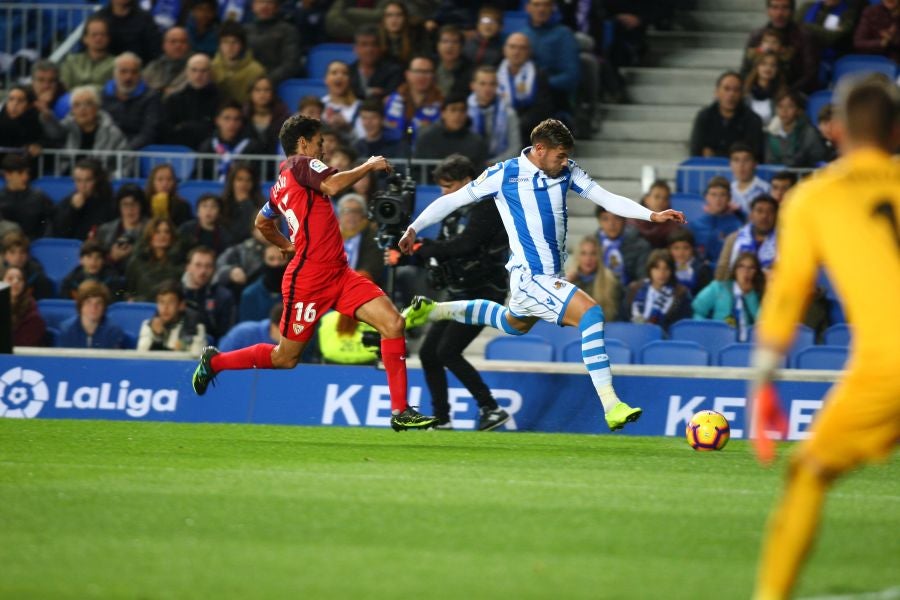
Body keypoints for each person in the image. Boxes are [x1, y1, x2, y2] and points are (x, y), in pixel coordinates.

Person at [399, 119, 686, 432]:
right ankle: (611, 404)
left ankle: (435, 310)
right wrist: (414, 227)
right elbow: (454, 200)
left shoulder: (566, 170)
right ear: (539, 149)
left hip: (548, 276)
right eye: (559, 156)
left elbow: (606, 198)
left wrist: (651, 215)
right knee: (591, 314)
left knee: (512, 323)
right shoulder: (504, 174)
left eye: (566, 157)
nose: (564, 162)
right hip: (531, 276)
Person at [749, 75, 900, 600]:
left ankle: (772, 594)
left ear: (834, 129)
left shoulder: (815, 198)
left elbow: (789, 294)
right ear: (896, 130)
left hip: (888, 367)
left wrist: (762, 381)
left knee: (809, 471)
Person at [191, 114, 439, 432]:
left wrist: (286, 244)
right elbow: (333, 185)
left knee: (393, 323)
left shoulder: (283, 180)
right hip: (308, 280)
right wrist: (369, 164)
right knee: (285, 358)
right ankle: (215, 362)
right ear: (304, 143)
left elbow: (262, 221)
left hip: (338, 273)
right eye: (320, 143)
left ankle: (400, 410)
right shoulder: (300, 164)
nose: (323, 150)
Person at [403, 155, 512, 430]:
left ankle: (491, 408)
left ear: (467, 182)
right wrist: (417, 251)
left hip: (485, 292)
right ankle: (442, 419)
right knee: (429, 354)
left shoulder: (488, 207)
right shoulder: (454, 212)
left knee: (448, 351)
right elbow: (444, 245)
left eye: (448, 187)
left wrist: (425, 249)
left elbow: (466, 244)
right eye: (441, 188)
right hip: (461, 290)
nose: (444, 194)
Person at [741, 0, 819, 92]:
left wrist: (786, 93)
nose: (779, 13)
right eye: (775, 7)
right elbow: (745, 70)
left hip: (794, 94)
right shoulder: (757, 36)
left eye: (785, 8)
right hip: (759, 91)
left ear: (792, 11)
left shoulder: (805, 36)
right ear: (768, 11)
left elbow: (810, 75)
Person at [496, 32, 556, 145]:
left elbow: (542, 108)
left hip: (527, 130)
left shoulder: (539, 74)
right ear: (504, 49)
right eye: (512, 47)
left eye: (522, 48)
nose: (516, 52)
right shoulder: (494, 72)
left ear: (529, 52)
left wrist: (516, 125)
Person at [690, 71, 765, 161]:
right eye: (726, 89)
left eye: (736, 90)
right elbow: (696, 152)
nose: (731, 94)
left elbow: (752, 155)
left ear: (742, 94)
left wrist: (714, 155)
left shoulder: (753, 120)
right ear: (716, 92)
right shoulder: (704, 117)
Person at [692, 251, 764, 341]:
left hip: (749, 345)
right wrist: (707, 331)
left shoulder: (760, 293)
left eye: (751, 268)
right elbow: (697, 309)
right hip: (719, 340)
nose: (746, 271)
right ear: (735, 269)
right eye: (741, 266)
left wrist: (749, 295)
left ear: (756, 272)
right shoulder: (718, 288)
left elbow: (761, 322)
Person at [101, 52, 163, 150]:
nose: (128, 77)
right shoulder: (103, 95)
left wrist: (125, 151)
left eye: (134, 72)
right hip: (106, 148)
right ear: (114, 73)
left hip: (138, 150)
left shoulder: (151, 97)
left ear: (140, 74)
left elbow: (149, 131)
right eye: (123, 71)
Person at [624, 249, 693, 332]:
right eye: (657, 268)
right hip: (634, 335)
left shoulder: (679, 294)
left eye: (666, 268)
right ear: (649, 270)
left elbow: (679, 321)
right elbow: (625, 316)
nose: (661, 273)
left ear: (672, 271)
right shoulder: (634, 289)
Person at [413, 94, 489, 168]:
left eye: (462, 110)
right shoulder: (427, 139)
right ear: (443, 113)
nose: (458, 115)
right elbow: (417, 171)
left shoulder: (477, 142)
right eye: (453, 110)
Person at [162, 54, 220, 149]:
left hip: (209, 150)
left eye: (203, 71)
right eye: (194, 70)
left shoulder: (219, 98)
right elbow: (167, 130)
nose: (198, 75)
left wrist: (184, 126)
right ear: (187, 72)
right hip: (181, 149)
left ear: (211, 72)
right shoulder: (174, 99)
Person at [196, 102, 265, 181]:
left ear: (242, 122)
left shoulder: (253, 147)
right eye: (226, 118)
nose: (232, 123)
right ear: (217, 120)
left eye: (237, 119)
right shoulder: (207, 146)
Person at [716, 195, 779, 280]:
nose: (764, 216)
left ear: (776, 216)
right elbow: (722, 271)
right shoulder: (733, 238)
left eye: (770, 212)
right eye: (759, 211)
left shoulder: (785, 242)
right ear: (751, 215)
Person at [467, 65, 521, 164]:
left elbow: (515, 148)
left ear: (497, 86)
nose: (487, 88)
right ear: (473, 86)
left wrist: (493, 164)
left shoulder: (509, 113)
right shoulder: (464, 112)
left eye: (492, 84)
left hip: (500, 168)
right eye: (482, 84)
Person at [383, 55, 443, 143]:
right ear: (407, 74)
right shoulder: (391, 101)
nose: (421, 76)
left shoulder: (441, 104)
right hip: (394, 153)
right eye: (417, 71)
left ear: (433, 76)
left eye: (427, 72)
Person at [181, 246, 236, 340]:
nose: (203, 271)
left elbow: (227, 335)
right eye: (198, 265)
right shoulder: (176, 293)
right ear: (188, 267)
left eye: (208, 266)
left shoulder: (224, 297)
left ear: (214, 269)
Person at [52, 159, 115, 240]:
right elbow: (59, 234)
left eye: (88, 180)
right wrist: (73, 210)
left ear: (97, 180)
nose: (83, 186)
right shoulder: (66, 203)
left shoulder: (110, 203)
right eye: (78, 180)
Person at [137, 279, 206, 353]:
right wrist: (157, 338)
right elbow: (142, 357)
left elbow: (194, 360)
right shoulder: (148, 325)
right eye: (161, 302)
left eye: (171, 302)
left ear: (181, 305)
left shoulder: (196, 328)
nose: (165, 307)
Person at [125, 217, 185, 301]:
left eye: (167, 232)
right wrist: (129, 298)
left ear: (172, 237)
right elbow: (126, 290)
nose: (162, 235)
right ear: (150, 236)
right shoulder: (137, 262)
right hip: (143, 308)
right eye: (157, 232)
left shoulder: (180, 263)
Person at [565, 235, 623, 322]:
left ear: (599, 257)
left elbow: (617, 317)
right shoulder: (567, 281)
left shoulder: (611, 282)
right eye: (583, 253)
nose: (588, 259)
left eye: (593, 254)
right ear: (577, 256)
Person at [688, 176, 744, 263]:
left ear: (729, 198)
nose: (718, 199)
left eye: (723, 195)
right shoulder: (695, 225)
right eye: (713, 194)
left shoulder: (737, 225)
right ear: (706, 197)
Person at [765, 90, 828, 167]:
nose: (784, 111)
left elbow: (817, 161)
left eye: (790, 106)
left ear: (798, 110)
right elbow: (769, 162)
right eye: (780, 106)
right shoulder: (771, 132)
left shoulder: (809, 133)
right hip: (777, 178)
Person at [245, 0, 300, 86]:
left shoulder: (288, 31)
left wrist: (266, 80)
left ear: (276, 7)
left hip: (277, 83)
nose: (264, 6)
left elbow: (290, 64)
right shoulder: (244, 31)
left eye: (269, 2)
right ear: (253, 6)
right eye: (260, 2)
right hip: (248, 81)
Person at [57, 281, 126, 349]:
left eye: (99, 303)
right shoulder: (66, 329)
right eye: (88, 302)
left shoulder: (113, 331)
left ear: (104, 307)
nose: (93, 308)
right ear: (80, 305)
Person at [0, 154, 54, 240]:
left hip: (34, 245)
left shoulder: (39, 197)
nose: (25, 177)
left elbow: (49, 224)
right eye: (20, 173)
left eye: (26, 172)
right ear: (7, 175)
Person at [211, 22, 266, 106]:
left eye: (235, 42)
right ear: (219, 45)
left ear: (242, 45)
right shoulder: (211, 67)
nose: (230, 47)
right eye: (225, 42)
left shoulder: (256, 71)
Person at [594, 206, 652, 286]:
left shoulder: (641, 246)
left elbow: (643, 278)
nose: (611, 224)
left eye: (616, 218)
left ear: (625, 220)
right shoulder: (592, 245)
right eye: (605, 219)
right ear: (599, 221)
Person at [59, 15, 115, 92]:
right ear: (85, 38)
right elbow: (64, 87)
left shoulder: (117, 64)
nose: (98, 38)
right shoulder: (71, 61)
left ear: (109, 38)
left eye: (102, 34)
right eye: (94, 35)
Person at [349, 25, 404, 101]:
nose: (369, 50)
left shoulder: (394, 71)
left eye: (374, 44)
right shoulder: (348, 71)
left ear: (381, 48)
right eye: (364, 44)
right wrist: (369, 92)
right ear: (355, 49)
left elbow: (391, 98)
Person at [96, 0, 161, 64]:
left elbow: (155, 53)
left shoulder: (146, 20)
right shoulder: (99, 18)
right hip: (103, 70)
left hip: (137, 70)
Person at [239, 243, 287, 322]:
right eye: (271, 259)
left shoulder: (298, 293)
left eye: (281, 258)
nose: (276, 263)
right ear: (263, 260)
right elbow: (246, 329)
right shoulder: (250, 294)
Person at [1, 265, 47, 347]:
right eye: (10, 278)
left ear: (24, 285)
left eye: (20, 279)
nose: (15, 282)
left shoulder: (33, 316)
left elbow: (19, 348)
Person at [2, 231, 54, 300]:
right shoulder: (1, 273)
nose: (18, 257)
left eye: (22, 252)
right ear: (4, 255)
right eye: (12, 252)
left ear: (28, 255)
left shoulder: (38, 277)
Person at [244, 75, 290, 154]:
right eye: (257, 90)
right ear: (250, 93)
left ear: (273, 92)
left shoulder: (283, 117)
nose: (262, 93)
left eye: (267, 90)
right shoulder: (242, 116)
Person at [631, 180, 680, 249]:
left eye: (665, 198)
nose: (661, 201)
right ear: (646, 199)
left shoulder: (674, 227)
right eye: (657, 197)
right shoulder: (633, 223)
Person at [143, 27, 191, 97]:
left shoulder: (195, 68)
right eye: (173, 41)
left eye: (183, 41)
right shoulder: (153, 67)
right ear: (164, 45)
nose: (178, 45)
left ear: (188, 45)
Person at [743, 52, 788, 127]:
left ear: (777, 70)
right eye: (763, 64)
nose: (768, 68)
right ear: (757, 67)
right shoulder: (744, 92)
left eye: (773, 65)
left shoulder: (783, 94)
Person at [667, 227, 713, 296]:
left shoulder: (702, 270)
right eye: (676, 248)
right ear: (669, 249)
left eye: (686, 248)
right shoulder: (665, 267)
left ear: (693, 249)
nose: (681, 253)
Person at [729, 142, 772, 214]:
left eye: (746, 160)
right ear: (730, 164)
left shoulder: (766, 189)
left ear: (755, 164)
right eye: (736, 160)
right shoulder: (727, 190)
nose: (741, 165)